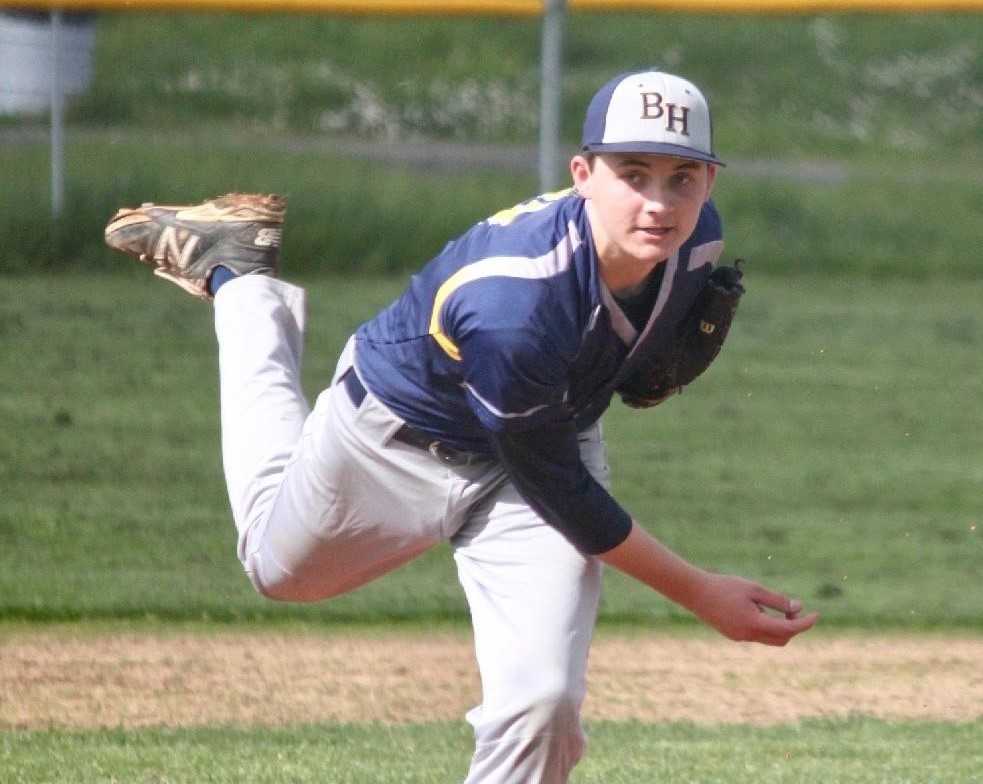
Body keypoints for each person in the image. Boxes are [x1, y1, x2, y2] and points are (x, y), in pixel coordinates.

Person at [105, 69, 818, 784]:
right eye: (632, 174)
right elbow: (565, 495)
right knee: (278, 569)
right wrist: (699, 591)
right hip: (394, 441)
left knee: (543, 701)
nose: (658, 203)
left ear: (709, 183)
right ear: (582, 174)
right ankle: (241, 279)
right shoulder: (514, 303)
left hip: (536, 450)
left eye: (681, 178)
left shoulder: (696, 245)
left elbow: (586, 407)